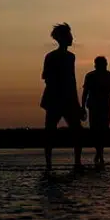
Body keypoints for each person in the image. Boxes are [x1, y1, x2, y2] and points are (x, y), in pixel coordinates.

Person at [41, 23, 85, 172]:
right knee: (51, 131)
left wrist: (77, 104)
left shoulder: (71, 57)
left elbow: (72, 81)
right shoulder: (52, 56)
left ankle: (77, 162)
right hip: (56, 99)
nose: (72, 38)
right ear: (63, 38)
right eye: (69, 35)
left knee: (76, 131)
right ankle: (49, 163)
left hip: (67, 99)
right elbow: (46, 76)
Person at [81, 55, 110, 168]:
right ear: (96, 65)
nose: (104, 66)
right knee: (95, 131)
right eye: (103, 64)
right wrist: (82, 107)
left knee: (104, 131)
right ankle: (99, 154)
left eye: (105, 64)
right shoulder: (90, 76)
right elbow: (85, 92)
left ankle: (99, 154)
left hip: (105, 106)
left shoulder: (109, 75)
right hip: (94, 106)